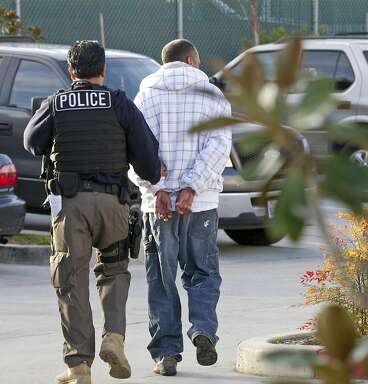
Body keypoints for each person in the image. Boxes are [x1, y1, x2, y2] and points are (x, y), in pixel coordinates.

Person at [24, 40, 161, 384]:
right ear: (103, 70)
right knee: (114, 272)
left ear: (72, 71)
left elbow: (31, 142)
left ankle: (78, 365)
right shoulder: (120, 104)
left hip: (71, 207)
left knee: (71, 279)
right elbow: (149, 166)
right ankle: (114, 338)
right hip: (113, 205)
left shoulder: (57, 103)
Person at [128, 39, 232, 376]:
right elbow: (218, 148)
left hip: (157, 208)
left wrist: (158, 189)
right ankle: (203, 329)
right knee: (202, 273)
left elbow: (135, 151)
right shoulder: (212, 95)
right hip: (199, 205)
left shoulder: (144, 95)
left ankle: (166, 354)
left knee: (161, 278)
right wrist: (192, 187)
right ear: (191, 60)